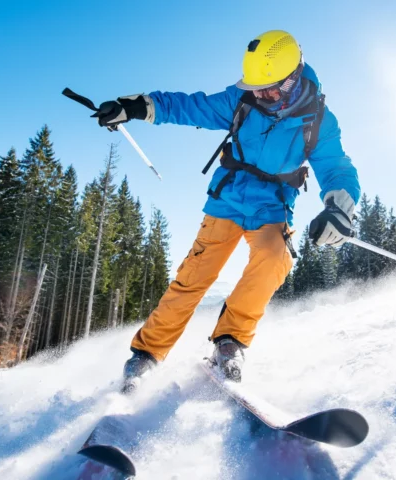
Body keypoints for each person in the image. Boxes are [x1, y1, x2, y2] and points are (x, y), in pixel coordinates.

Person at [91, 30, 360, 390]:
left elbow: (336, 167)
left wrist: (339, 208)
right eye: (255, 87)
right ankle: (147, 354)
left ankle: (230, 341)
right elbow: (190, 106)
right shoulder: (242, 100)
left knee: (275, 257)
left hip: (273, 206)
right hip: (227, 199)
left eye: (269, 88)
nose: (260, 94)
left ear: (294, 78)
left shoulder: (319, 119)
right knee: (195, 275)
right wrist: (135, 107)